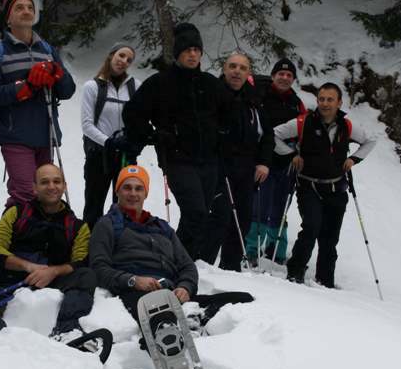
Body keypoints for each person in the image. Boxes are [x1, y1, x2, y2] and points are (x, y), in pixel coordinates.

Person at [89, 165, 253, 333]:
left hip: (171, 292)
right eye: (127, 188)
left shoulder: (162, 227)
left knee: (243, 300)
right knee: (162, 318)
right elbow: (98, 267)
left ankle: (193, 322)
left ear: (145, 193)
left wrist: (185, 287)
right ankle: (180, 329)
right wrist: (133, 280)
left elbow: (187, 266)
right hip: (136, 293)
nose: (133, 194)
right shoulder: (107, 224)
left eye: (139, 188)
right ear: (117, 192)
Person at [122, 23, 229, 260]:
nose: (192, 54)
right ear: (178, 53)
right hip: (178, 159)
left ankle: (180, 260)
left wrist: (221, 135)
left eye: (196, 50)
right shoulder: (160, 82)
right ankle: (181, 261)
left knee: (200, 216)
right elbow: (132, 113)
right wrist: (153, 135)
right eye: (187, 50)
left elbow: (230, 115)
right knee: (196, 212)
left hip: (209, 160)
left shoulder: (211, 84)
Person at [0, 163, 95, 341]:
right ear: (34, 187)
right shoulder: (15, 213)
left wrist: (52, 271)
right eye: (44, 182)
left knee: (86, 275)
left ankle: (68, 330)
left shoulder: (78, 226)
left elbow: (80, 261)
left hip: (54, 280)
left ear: (64, 186)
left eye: (57, 181)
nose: (52, 186)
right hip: (9, 281)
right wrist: (29, 267)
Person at [275, 82, 376, 287]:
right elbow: (274, 134)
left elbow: (371, 140)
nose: (325, 103)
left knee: (330, 238)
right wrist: (291, 154)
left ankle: (325, 280)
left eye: (330, 99)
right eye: (322, 99)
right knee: (311, 227)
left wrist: (354, 159)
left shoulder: (347, 126)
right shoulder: (304, 122)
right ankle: (295, 272)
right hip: (308, 186)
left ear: (339, 102)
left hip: (336, 189)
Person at [0, 0, 76, 208]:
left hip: (46, 133)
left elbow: (68, 91)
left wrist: (57, 73)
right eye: (19, 8)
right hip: (15, 135)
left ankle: (35, 237)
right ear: (8, 18)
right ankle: (17, 238)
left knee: (46, 195)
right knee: (26, 193)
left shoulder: (48, 50)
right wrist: (27, 87)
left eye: (30, 8)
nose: (26, 11)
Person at [199, 52, 273, 271]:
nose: (237, 71)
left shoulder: (253, 101)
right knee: (220, 216)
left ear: (248, 73)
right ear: (224, 69)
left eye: (242, 68)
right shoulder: (212, 94)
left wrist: (264, 162)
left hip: (247, 169)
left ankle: (230, 268)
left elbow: (267, 136)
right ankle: (202, 264)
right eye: (232, 66)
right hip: (217, 167)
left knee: (243, 219)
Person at [244, 58, 306, 265]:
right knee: (258, 206)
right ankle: (251, 249)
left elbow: (303, 130)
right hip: (261, 160)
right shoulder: (259, 94)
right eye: (281, 74)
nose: (284, 78)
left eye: (289, 75)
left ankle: (276, 251)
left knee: (280, 207)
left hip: (286, 163)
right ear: (273, 76)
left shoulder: (296, 103)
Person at [80, 42, 140, 228]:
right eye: (121, 55)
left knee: (124, 205)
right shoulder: (92, 86)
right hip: (99, 155)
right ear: (111, 55)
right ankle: (88, 248)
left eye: (129, 60)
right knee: (93, 206)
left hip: (125, 155)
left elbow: (141, 118)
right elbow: (87, 125)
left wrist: (135, 141)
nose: (124, 61)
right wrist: (109, 142)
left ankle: (120, 246)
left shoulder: (135, 86)